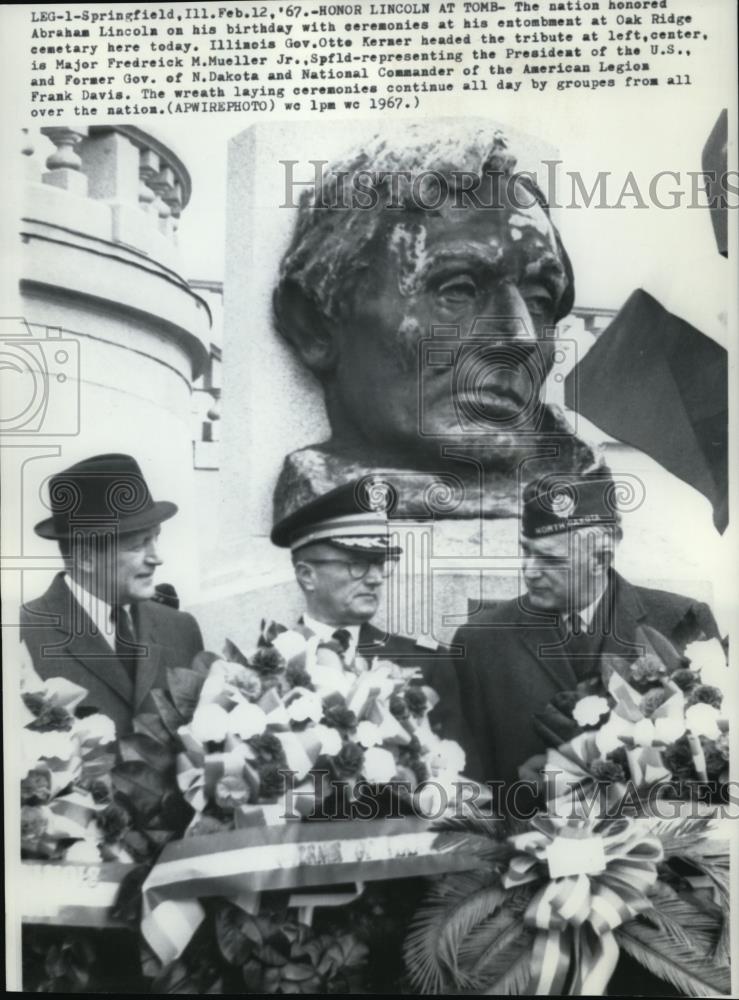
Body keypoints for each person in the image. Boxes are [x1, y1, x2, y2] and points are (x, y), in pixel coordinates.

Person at [272, 123, 597, 522]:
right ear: (314, 324)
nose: (521, 336)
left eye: (540, 301)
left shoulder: (578, 493)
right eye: (456, 291)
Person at [450, 472, 722, 789]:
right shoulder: (481, 641)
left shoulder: (681, 622)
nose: (529, 570)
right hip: (525, 835)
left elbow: (714, 764)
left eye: (550, 559)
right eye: (526, 550)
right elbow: (469, 787)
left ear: (600, 558)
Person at [271, 477, 474, 758]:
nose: (376, 578)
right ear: (307, 576)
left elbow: (459, 772)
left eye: (380, 564)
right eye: (357, 565)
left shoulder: (428, 662)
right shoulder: (271, 664)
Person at [21, 453, 204, 736]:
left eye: (156, 538)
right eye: (138, 545)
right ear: (85, 558)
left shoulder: (182, 629)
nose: (157, 558)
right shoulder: (22, 638)